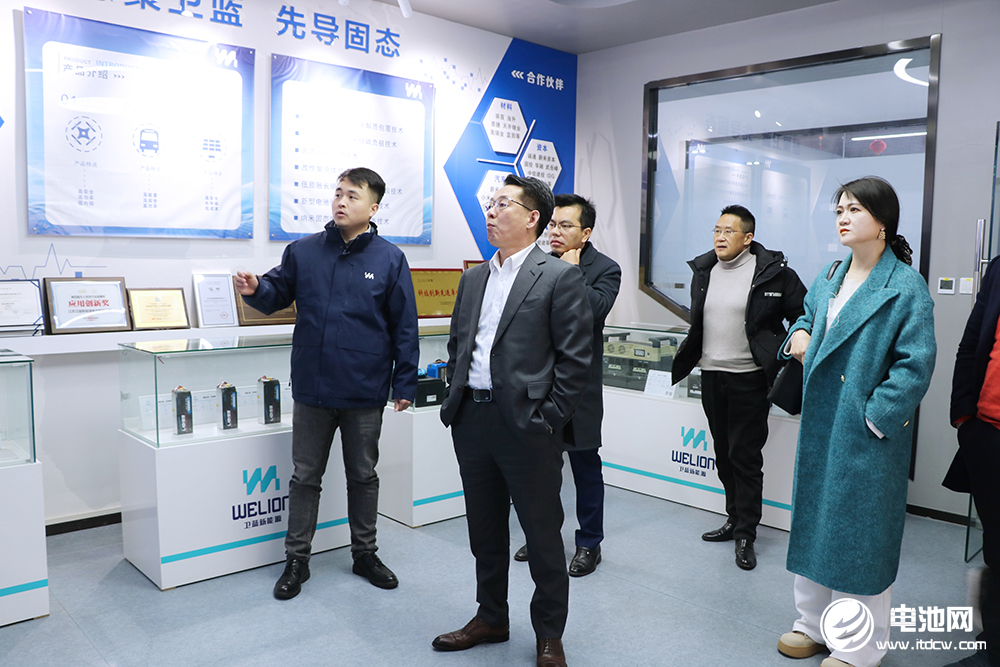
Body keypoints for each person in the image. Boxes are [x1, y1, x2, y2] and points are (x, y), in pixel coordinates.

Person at [234, 167, 418, 599]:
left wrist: (405, 384)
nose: (341, 202)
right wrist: (256, 288)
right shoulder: (304, 251)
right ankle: (297, 560)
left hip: (364, 389)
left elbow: (404, 326)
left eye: (353, 196)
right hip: (313, 387)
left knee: (363, 476)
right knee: (304, 477)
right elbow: (276, 293)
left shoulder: (390, 259)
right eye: (338, 193)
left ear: (373, 208)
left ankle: (365, 554)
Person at [432, 175, 593, 667]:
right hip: (472, 420)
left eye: (503, 204)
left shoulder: (558, 276)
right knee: (484, 531)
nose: (491, 211)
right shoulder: (473, 278)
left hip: (529, 427)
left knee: (542, 536)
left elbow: (575, 361)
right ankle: (491, 617)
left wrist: (548, 418)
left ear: (531, 218)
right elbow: (459, 345)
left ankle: (549, 634)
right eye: (491, 203)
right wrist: (454, 396)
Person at [776, 177, 936, 667]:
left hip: (865, 433)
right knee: (815, 523)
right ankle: (811, 624)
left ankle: (857, 645)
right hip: (821, 425)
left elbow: (915, 366)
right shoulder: (830, 274)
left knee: (860, 538)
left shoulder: (905, 286)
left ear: (882, 221)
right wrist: (798, 334)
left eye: (855, 210)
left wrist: (874, 418)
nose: (843, 218)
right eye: (839, 210)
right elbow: (806, 317)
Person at [672, 204, 806, 571]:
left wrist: (787, 343)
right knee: (723, 452)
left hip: (750, 378)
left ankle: (746, 533)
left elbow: (803, 315)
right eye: (717, 230)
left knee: (744, 456)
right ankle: (733, 518)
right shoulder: (705, 271)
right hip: (712, 375)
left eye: (728, 231)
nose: (720, 237)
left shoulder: (774, 274)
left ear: (748, 238)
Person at [512, 193, 621, 577]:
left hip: (581, 390)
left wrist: (572, 273)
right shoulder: (537, 264)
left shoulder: (606, 269)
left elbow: (593, 312)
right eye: (553, 224)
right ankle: (543, 537)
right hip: (540, 386)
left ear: (585, 233)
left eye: (565, 225)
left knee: (586, 469)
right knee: (541, 471)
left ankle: (589, 543)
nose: (555, 232)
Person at [941, 253, 1000, 667]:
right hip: (987, 433)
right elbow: (972, 342)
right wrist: (965, 418)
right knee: (996, 550)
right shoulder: (999, 268)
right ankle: (993, 648)